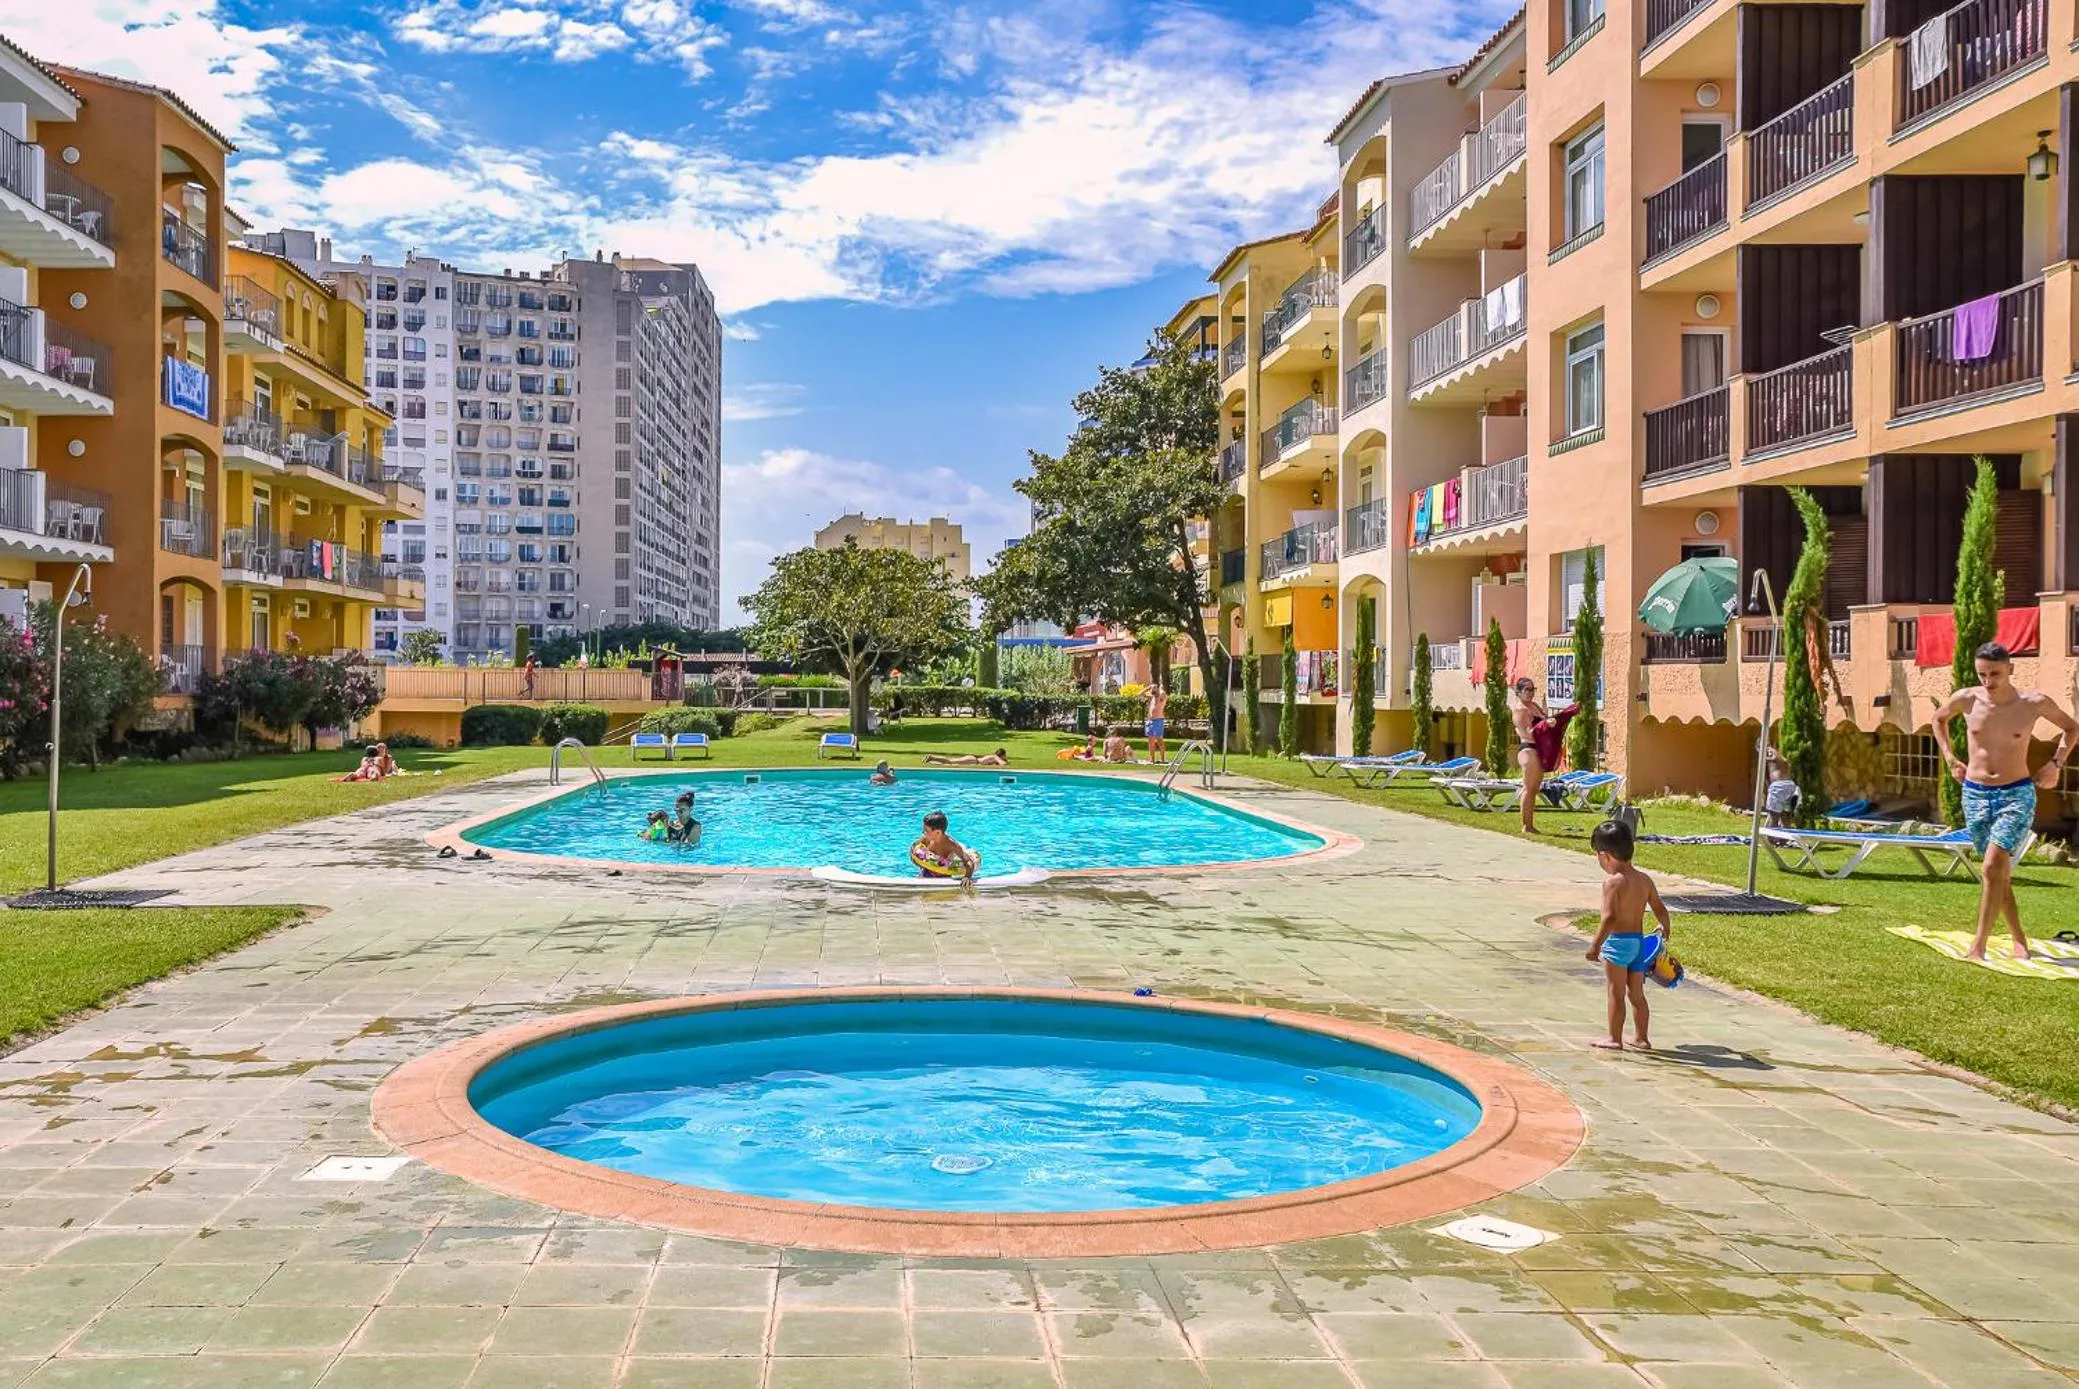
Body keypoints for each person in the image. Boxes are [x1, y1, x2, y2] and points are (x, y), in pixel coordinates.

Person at [1930, 642, 2077, 961]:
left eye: (1995, 673)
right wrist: (1950, 757)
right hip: (1974, 793)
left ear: (2010, 669)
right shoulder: (1967, 699)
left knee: (1991, 867)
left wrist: (2056, 764)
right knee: (1998, 873)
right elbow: (1938, 720)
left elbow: (2071, 728)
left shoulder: (2033, 703)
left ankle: (1978, 945)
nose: (1988, 680)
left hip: (2016, 793)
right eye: (1982, 673)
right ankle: (2020, 941)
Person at [1583, 818, 1672, 1052]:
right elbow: (1659, 908)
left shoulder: (1613, 882)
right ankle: (1642, 1038)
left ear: (1605, 856)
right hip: (1638, 943)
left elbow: (1609, 917)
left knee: (1615, 992)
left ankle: (1614, 1038)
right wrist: (1664, 926)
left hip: (1618, 944)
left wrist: (1595, 946)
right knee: (1637, 994)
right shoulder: (1644, 880)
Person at [1511, 679, 1548, 834]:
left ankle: (1530, 823)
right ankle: (1526, 825)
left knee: (1534, 789)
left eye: (1533, 689)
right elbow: (1526, 733)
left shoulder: (1535, 706)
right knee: (1528, 788)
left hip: (1538, 749)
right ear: (1518, 692)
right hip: (1529, 749)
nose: (1531, 692)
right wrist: (1545, 725)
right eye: (1527, 689)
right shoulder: (1520, 710)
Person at [912, 810, 978, 880]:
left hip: (943, 877)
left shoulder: (952, 846)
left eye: (926, 830)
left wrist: (967, 877)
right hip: (927, 871)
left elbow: (968, 861)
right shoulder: (927, 840)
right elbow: (917, 852)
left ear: (938, 832)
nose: (923, 832)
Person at [1763, 746, 1801, 829]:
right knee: (1785, 817)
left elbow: (1773, 757)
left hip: (1779, 786)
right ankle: (1784, 840)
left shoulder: (1772, 754)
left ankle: (1772, 840)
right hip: (1790, 785)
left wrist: (1764, 756)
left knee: (1774, 817)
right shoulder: (1782, 758)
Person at [1145, 683, 1169, 762]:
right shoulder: (1151, 697)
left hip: (1158, 720)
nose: (1152, 690)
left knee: (1159, 740)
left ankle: (1162, 759)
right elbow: (1139, 694)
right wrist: (1148, 688)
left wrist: (1158, 688)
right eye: (1152, 689)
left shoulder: (1161, 697)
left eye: (1154, 688)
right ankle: (1152, 759)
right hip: (1150, 721)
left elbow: (1164, 694)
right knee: (1151, 741)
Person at [922, 748, 1008, 767]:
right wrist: (1005, 761)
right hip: (974, 760)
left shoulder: (993, 757)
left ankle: (932, 760)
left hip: (973, 759)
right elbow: (1003, 764)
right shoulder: (995, 756)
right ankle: (932, 757)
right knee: (950, 762)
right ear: (1002, 755)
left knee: (950, 763)